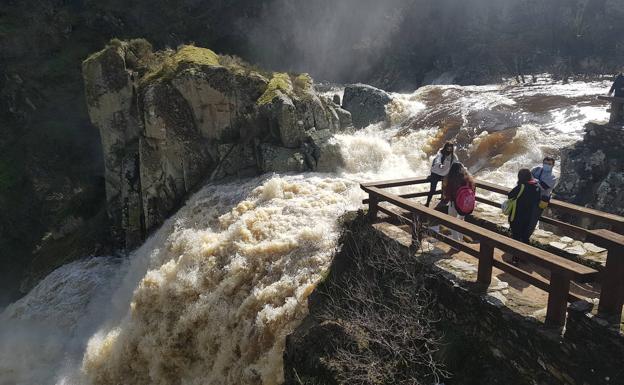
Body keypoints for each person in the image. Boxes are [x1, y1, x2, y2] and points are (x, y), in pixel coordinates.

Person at [507, 168, 541, 251]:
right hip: (529, 216)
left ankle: (516, 258)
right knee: (525, 237)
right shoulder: (537, 186)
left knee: (516, 237)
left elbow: (510, 195)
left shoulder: (521, 186)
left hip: (517, 215)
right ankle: (525, 256)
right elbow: (538, 200)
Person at [443, 162, 475, 241]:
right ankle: (461, 240)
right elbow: (472, 190)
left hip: (454, 204)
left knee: (452, 222)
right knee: (461, 221)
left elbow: (447, 193)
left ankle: (455, 242)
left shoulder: (451, 179)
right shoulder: (468, 178)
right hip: (464, 204)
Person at [528, 156, 558, 233]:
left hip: (540, 201)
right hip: (530, 197)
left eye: (549, 164)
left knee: (532, 220)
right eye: (545, 163)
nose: (547, 165)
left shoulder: (553, 177)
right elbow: (527, 176)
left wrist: (533, 180)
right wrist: (535, 181)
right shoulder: (537, 169)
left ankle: (526, 237)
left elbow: (543, 186)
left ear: (553, 165)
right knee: (524, 216)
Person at [426, 142, 458, 207]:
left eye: (450, 148)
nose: (449, 149)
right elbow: (438, 159)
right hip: (435, 173)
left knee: (446, 188)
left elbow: (457, 163)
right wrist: (440, 164)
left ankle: (443, 200)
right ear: (445, 147)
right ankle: (427, 203)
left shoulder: (453, 156)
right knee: (433, 189)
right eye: (448, 147)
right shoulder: (440, 153)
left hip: (444, 174)